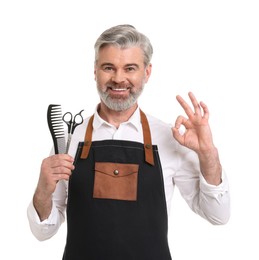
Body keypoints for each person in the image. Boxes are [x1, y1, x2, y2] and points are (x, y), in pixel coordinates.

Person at [27, 24, 230, 260]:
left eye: (130, 68)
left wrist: (208, 153)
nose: (118, 78)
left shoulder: (170, 137)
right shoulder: (71, 140)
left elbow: (218, 215)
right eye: (108, 68)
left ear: (147, 72)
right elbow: (43, 232)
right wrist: (43, 188)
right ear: (95, 71)